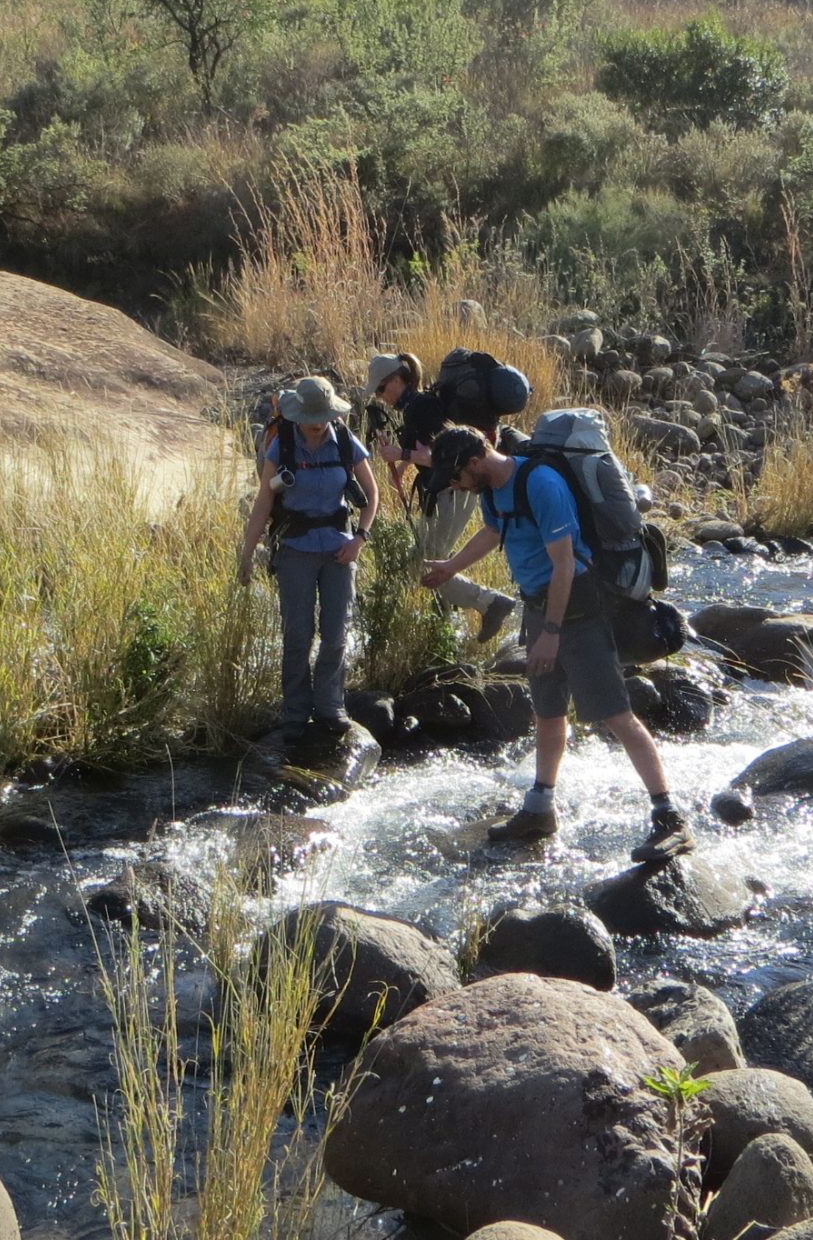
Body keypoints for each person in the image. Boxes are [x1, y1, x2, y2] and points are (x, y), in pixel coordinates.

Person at [419, 422, 687, 859]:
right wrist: (451, 566)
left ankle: (669, 817)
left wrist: (551, 634)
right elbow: (493, 531)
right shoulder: (490, 489)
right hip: (540, 607)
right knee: (548, 712)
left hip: (578, 611)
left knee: (617, 715)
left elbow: (564, 564)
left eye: (456, 477)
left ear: (475, 462)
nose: (455, 486)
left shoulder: (541, 483)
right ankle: (540, 808)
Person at [239, 375, 380, 742]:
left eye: (323, 414)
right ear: (297, 414)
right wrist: (247, 552)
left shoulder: (347, 442)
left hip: (339, 551)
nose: (318, 422)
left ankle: (331, 706)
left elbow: (372, 494)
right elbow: (263, 503)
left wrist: (360, 539)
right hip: (295, 552)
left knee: (336, 633)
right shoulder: (281, 447)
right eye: (311, 415)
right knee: (298, 634)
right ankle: (296, 710)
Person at [362, 351, 517, 642]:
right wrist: (401, 462)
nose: (381, 396)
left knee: (425, 562)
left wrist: (401, 454)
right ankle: (446, 630)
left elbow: (447, 456)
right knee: (433, 558)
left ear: (398, 379)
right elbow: (423, 453)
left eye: (382, 388)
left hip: (454, 490)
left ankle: (489, 602)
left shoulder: (422, 406)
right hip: (442, 493)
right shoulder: (415, 407)